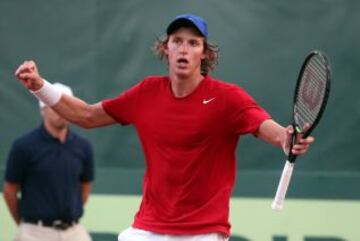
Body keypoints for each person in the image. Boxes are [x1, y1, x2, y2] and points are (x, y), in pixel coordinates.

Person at [14, 14, 314, 241]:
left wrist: (285, 140)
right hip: (148, 228)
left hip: (203, 231)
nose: (184, 49)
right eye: (177, 41)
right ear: (166, 49)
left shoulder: (227, 98)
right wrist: (40, 86)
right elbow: (87, 116)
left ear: (204, 55)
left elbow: (263, 126)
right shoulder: (146, 93)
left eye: (193, 43)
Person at [3, 83, 94, 241]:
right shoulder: (23, 146)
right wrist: (26, 225)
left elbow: (84, 188)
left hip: (74, 231)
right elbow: (10, 190)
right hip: (35, 233)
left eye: (65, 107)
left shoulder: (83, 146)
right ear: (43, 110)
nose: (60, 112)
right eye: (54, 106)